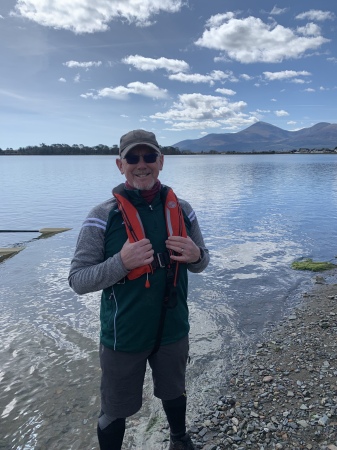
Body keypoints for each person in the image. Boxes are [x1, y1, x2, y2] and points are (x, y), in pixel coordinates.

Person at [68, 129, 210, 450]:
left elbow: (202, 263)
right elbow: (78, 280)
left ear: (161, 161)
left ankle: (179, 438)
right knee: (115, 408)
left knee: (174, 390)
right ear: (120, 165)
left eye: (149, 157)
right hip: (123, 336)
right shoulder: (102, 216)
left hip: (174, 330)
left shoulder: (183, 209)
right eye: (133, 158)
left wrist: (196, 255)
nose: (141, 164)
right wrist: (121, 262)